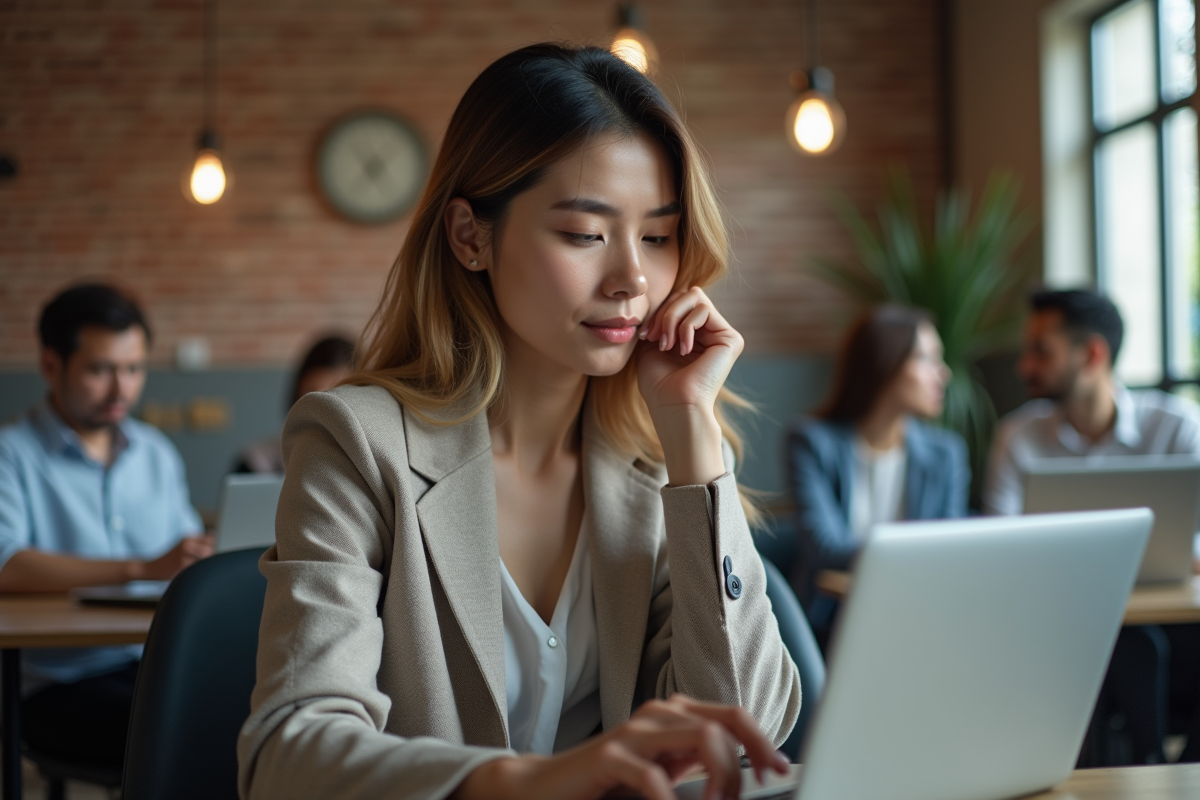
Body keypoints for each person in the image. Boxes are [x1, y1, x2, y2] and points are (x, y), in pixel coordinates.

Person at [237, 44, 799, 800]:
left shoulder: (660, 464)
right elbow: (288, 753)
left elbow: (742, 729)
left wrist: (692, 428)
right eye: (584, 234)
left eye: (659, 237)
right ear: (471, 236)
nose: (633, 277)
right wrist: (529, 782)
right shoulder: (355, 443)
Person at [0, 283, 213, 772]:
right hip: (58, 684)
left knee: (249, 713)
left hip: (152, 663)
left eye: (134, 369)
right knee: (188, 734)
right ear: (51, 365)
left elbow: (184, 561)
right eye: (101, 370)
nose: (123, 390)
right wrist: (142, 567)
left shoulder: (156, 453)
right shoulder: (12, 453)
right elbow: (6, 564)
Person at [986, 288, 1200, 765]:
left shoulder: (1178, 426)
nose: (1024, 366)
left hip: (1177, 624)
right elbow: (999, 543)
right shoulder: (1018, 437)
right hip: (1060, 625)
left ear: (1094, 354)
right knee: (1126, 646)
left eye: (1042, 350)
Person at [785, 305, 969, 636]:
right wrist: (916, 552)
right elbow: (824, 547)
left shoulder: (946, 453)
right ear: (884, 364)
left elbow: (950, 547)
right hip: (831, 620)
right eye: (926, 359)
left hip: (921, 613)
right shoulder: (811, 443)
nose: (943, 374)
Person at [233, 333, 355, 473]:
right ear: (297, 393)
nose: (322, 408)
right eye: (312, 394)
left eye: (335, 395)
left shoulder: (367, 471)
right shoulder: (254, 464)